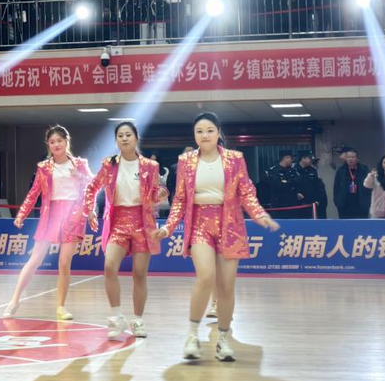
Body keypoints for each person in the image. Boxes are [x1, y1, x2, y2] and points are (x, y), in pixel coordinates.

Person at [159, 113, 280, 362]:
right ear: (194, 135)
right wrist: (168, 227)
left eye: (209, 130)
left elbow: (246, 192)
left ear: (218, 133)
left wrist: (259, 214)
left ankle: (223, 339)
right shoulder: (185, 161)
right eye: (199, 131)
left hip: (230, 223)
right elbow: (180, 198)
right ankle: (192, 336)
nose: (204, 135)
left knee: (226, 285)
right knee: (205, 276)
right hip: (199, 223)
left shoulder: (235, 159)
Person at [83, 122, 167, 341]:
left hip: (143, 222)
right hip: (118, 222)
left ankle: (138, 320)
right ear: (116, 140)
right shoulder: (109, 164)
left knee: (139, 274)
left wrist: (161, 193)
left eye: (128, 134)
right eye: (120, 135)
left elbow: (155, 193)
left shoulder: (150, 166)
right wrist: (90, 210)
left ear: (136, 138)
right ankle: (116, 316)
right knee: (109, 266)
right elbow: (91, 187)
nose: (124, 138)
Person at [6, 126, 95, 321]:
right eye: (52, 142)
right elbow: (34, 192)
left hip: (73, 214)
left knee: (64, 263)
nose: (56, 145)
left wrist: (88, 209)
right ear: (48, 145)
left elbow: (93, 186)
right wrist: (21, 214)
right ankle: (14, 299)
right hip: (50, 214)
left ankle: (61, 307)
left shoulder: (80, 164)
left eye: (59, 141)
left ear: (67, 142)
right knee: (35, 259)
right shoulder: (44, 167)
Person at [333, 148, 370, 219]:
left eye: (353, 157)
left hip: (361, 204)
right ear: (346, 159)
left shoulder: (364, 170)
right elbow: (336, 187)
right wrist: (337, 201)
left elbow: (369, 187)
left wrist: (367, 201)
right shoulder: (340, 170)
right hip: (344, 205)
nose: (350, 159)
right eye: (348, 157)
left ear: (357, 159)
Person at [264, 151, 304, 216]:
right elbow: (278, 185)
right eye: (291, 158)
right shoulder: (274, 171)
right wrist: (289, 183)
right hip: (279, 204)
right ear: (285, 158)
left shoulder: (293, 171)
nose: (292, 160)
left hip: (292, 204)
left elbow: (298, 182)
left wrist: (287, 182)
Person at [293, 152, 328, 218]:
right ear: (303, 159)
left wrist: (318, 200)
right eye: (309, 158)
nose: (311, 161)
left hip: (311, 204)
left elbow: (318, 186)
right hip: (298, 205)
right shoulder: (294, 171)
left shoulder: (312, 171)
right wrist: (295, 194)